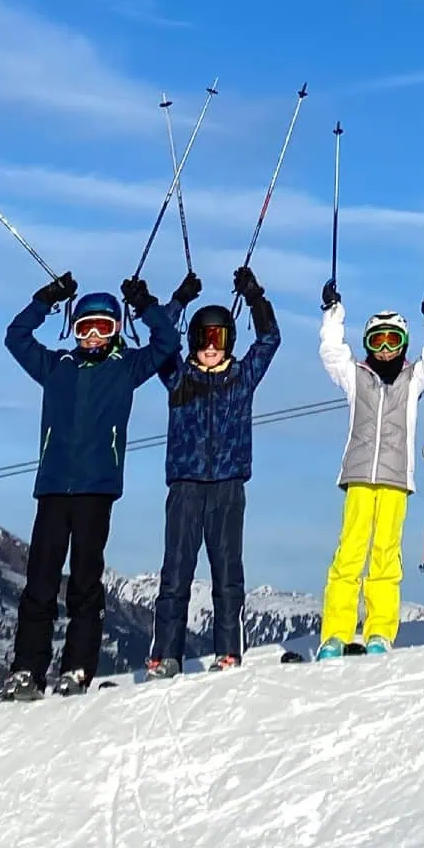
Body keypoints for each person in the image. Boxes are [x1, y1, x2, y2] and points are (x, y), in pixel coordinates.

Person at [1, 269, 186, 698]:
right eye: (85, 328)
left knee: (85, 581)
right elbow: (16, 337)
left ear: (117, 330)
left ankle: (78, 668)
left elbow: (167, 343)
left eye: (103, 327)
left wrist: (145, 305)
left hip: (96, 488)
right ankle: (27, 669)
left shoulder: (127, 367)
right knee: (40, 582)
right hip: (52, 486)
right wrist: (47, 299)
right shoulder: (56, 366)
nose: (93, 337)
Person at [146, 265, 282, 677]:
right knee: (176, 572)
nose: (210, 347)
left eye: (218, 339)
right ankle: (167, 654)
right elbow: (159, 343)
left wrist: (256, 298)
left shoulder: (242, 377)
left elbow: (270, 339)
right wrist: (178, 301)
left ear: (228, 341)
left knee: (226, 570)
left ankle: (228, 651)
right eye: (203, 339)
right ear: (193, 341)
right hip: (186, 484)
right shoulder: (178, 376)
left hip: (227, 484)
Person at [316, 282, 424, 657]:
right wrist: (333, 313)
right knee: (350, 553)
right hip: (359, 476)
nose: (385, 349)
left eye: (392, 340)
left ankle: (379, 632)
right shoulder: (356, 377)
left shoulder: (412, 380)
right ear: (368, 345)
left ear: (403, 344)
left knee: (386, 555)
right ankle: (336, 632)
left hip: (394, 479)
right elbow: (331, 352)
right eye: (377, 341)